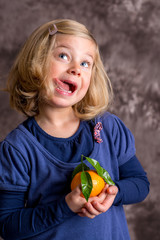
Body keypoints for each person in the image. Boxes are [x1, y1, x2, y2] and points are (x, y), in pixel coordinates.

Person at [0, 19, 149, 240]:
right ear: (35, 62)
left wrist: (113, 192)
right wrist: (65, 206)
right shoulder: (17, 148)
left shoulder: (107, 127)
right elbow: (7, 226)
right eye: (63, 56)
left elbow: (140, 184)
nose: (75, 69)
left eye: (85, 63)